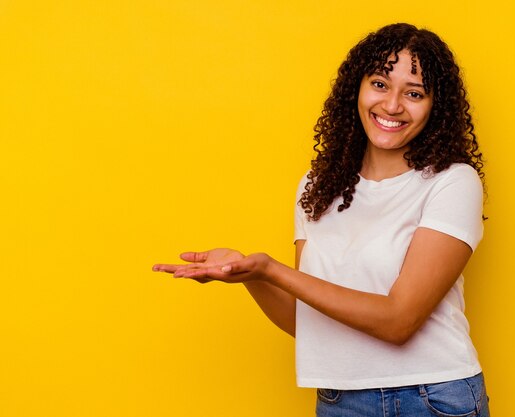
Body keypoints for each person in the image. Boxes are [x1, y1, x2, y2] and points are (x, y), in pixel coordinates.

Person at [153, 23, 490, 417]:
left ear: (436, 108)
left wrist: (271, 269)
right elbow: (309, 324)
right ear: (356, 89)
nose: (393, 105)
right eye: (380, 84)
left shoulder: (451, 182)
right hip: (339, 400)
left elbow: (399, 321)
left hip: (430, 398)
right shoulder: (318, 186)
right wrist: (252, 276)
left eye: (414, 93)